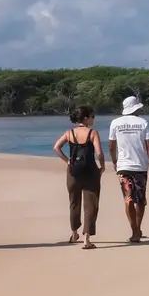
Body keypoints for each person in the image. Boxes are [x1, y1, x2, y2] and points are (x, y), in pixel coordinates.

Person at [53, 106, 104, 249]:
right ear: (85, 118)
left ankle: (74, 232)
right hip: (90, 170)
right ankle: (86, 239)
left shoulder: (69, 133)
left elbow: (56, 147)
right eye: (92, 116)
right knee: (91, 204)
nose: (93, 119)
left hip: (73, 170)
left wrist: (67, 160)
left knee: (74, 202)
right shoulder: (93, 133)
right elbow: (99, 153)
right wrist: (102, 167)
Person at [108, 95, 149, 243]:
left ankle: (135, 230)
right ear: (135, 108)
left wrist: (115, 162)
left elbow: (111, 146)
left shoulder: (115, 123)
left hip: (123, 166)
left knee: (128, 199)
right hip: (140, 166)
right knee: (140, 199)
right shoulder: (143, 123)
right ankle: (137, 229)